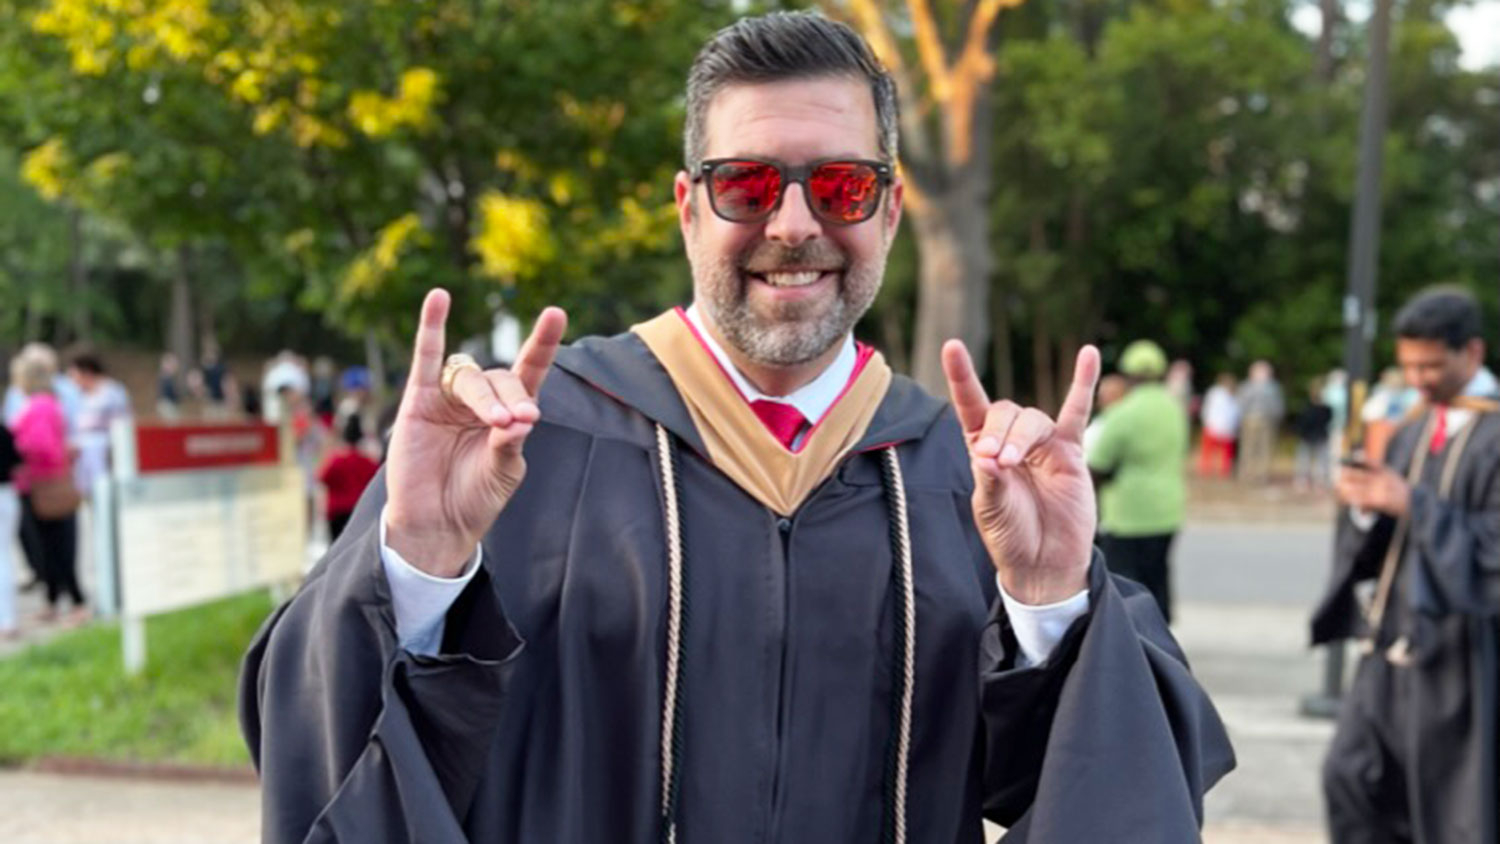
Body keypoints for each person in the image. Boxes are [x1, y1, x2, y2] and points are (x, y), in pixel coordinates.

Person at [241, 14, 1231, 843]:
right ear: (688, 209)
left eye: (840, 185)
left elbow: (1087, 780)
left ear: (888, 212)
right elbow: (319, 740)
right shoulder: (522, 448)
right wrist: (416, 561)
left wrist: (1052, 598)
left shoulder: (959, 477)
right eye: (747, 185)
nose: (793, 224)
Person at [1313, 287, 1500, 843]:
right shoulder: (1413, 429)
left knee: (1449, 806)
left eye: (1432, 365)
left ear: (1472, 351)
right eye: (1409, 365)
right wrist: (1367, 507)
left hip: (1463, 655)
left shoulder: (1494, 435)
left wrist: (1412, 503)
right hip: (1391, 646)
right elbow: (1381, 543)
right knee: (1349, 778)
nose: (1418, 378)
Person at [1086, 340, 1189, 624]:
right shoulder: (1174, 409)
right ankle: (1162, 642)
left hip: (1128, 513)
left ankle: (1134, 649)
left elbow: (1098, 464)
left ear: (1128, 375)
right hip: (1168, 509)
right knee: (1158, 577)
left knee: (1126, 587)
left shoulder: (1124, 413)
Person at [11, 352, 83, 622]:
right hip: (46, 480)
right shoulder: (47, 402)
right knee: (49, 544)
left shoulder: (38, 405)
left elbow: (41, 445)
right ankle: (53, 601)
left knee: (55, 545)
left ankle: (77, 602)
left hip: (43, 483)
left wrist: (15, 449)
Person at [67, 353, 132, 500]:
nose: (72, 381)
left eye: (74, 376)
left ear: (87, 373)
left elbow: (122, 426)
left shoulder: (112, 393)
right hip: (84, 462)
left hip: (105, 458)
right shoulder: (82, 396)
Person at [317, 416, 380, 542]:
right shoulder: (368, 462)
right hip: (359, 511)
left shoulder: (336, 460)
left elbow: (322, 477)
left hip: (337, 512)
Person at [1236, 360, 1284, 484]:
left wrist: (1275, 418)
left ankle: (1262, 474)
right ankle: (1246, 473)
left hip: (1267, 420)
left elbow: (1277, 406)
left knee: (1265, 448)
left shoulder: (1273, 388)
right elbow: (1241, 403)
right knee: (1248, 447)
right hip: (1250, 419)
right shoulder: (1247, 386)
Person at [1292, 379, 1333, 492]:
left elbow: (1302, 422)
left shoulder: (1319, 408)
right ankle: (1312, 480)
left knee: (1309, 460)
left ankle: (1312, 480)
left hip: (1314, 436)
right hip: (1313, 436)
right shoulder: (1323, 409)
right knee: (1310, 460)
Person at [1199, 373, 1240, 477]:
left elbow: (1235, 412)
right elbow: (1208, 408)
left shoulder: (1234, 395)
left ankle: (1225, 470)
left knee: (1226, 452)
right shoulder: (1214, 393)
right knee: (1208, 449)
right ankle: (1206, 468)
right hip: (1213, 424)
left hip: (1227, 427)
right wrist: (1207, 422)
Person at [0, 420, 20, 639]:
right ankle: (8, 620)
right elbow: (18, 460)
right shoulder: (3, 429)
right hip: (6, 495)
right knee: (3, 557)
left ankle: (6, 619)